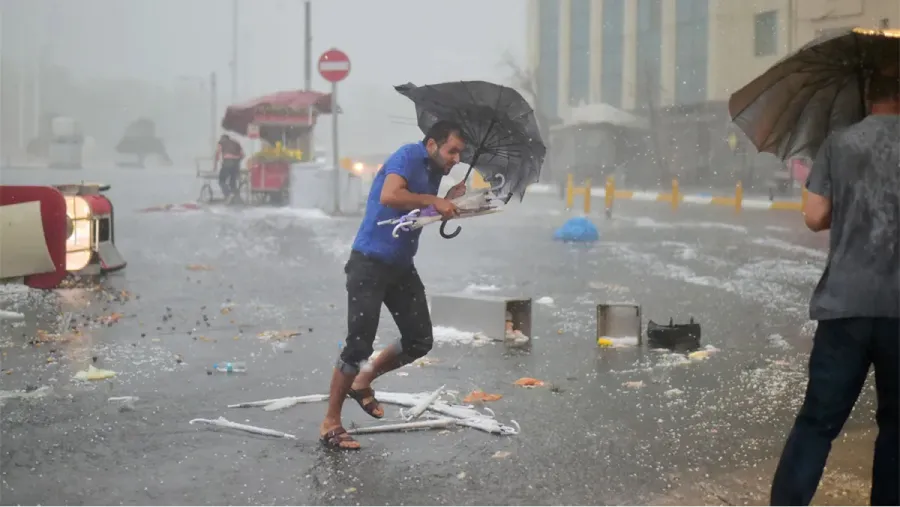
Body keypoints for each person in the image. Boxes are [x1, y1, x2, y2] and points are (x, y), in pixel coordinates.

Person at [770, 73, 899, 506]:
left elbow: (814, 215)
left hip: (845, 307)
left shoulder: (839, 143)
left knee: (818, 423)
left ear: (867, 95)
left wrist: (853, 200)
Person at [319, 121, 468, 450]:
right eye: (452, 150)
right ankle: (331, 421)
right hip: (369, 263)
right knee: (358, 346)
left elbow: (411, 212)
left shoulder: (434, 170)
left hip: (401, 267)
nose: (457, 158)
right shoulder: (409, 155)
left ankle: (363, 381)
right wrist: (433, 198)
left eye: (461, 152)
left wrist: (444, 202)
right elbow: (390, 196)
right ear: (432, 144)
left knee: (419, 340)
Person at [215, 134, 244, 203]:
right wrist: (237, 161)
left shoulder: (221, 143)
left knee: (221, 180)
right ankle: (236, 198)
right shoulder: (236, 143)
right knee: (232, 182)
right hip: (236, 164)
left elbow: (218, 154)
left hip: (227, 162)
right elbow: (242, 155)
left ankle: (228, 194)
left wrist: (215, 166)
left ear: (223, 139)